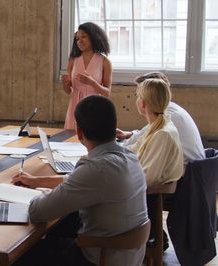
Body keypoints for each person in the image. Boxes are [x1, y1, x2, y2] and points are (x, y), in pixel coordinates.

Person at [12, 95, 148, 266]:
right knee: (60, 228)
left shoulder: (96, 169)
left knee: (21, 256)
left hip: (99, 259)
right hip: (126, 256)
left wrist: (33, 194)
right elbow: (75, 181)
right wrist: (37, 181)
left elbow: (38, 212)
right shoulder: (129, 157)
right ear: (115, 126)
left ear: (79, 132)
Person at [116, 72, 205, 166]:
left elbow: (136, 147)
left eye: (139, 95)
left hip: (186, 175)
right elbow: (144, 136)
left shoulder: (168, 118)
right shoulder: (170, 110)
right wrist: (130, 134)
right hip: (195, 171)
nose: (138, 99)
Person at [126, 78, 184, 187]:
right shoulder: (158, 125)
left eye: (138, 96)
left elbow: (148, 178)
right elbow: (132, 150)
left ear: (142, 103)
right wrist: (105, 155)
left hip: (147, 195)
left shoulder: (162, 134)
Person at [61, 22, 112, 130]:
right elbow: (68, 91)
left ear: (94, 37)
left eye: (84, 37)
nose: (80, 41)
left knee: (94, 138)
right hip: (75, 106)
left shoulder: (104, 61)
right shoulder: (73, 60)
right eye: (77, 38)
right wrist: (65, 83)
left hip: (95, 106)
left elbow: (107, 93)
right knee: (71, 141)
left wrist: (92, 83)